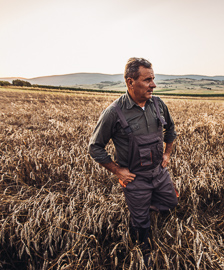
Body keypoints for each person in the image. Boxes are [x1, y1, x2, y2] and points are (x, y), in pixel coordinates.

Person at [88, 57, 178, 251]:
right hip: (135, 178)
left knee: (171, 202)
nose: (153, 85)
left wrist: (167, 154)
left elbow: (170, 130)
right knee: (140, 225)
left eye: (153, 78)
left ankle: (146, 207)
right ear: (130, 82)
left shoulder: (158, 104)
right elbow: (95, 147)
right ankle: (142, 250)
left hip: (159, 172)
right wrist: (118, 171)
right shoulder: (114, 112)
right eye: (147, 80)